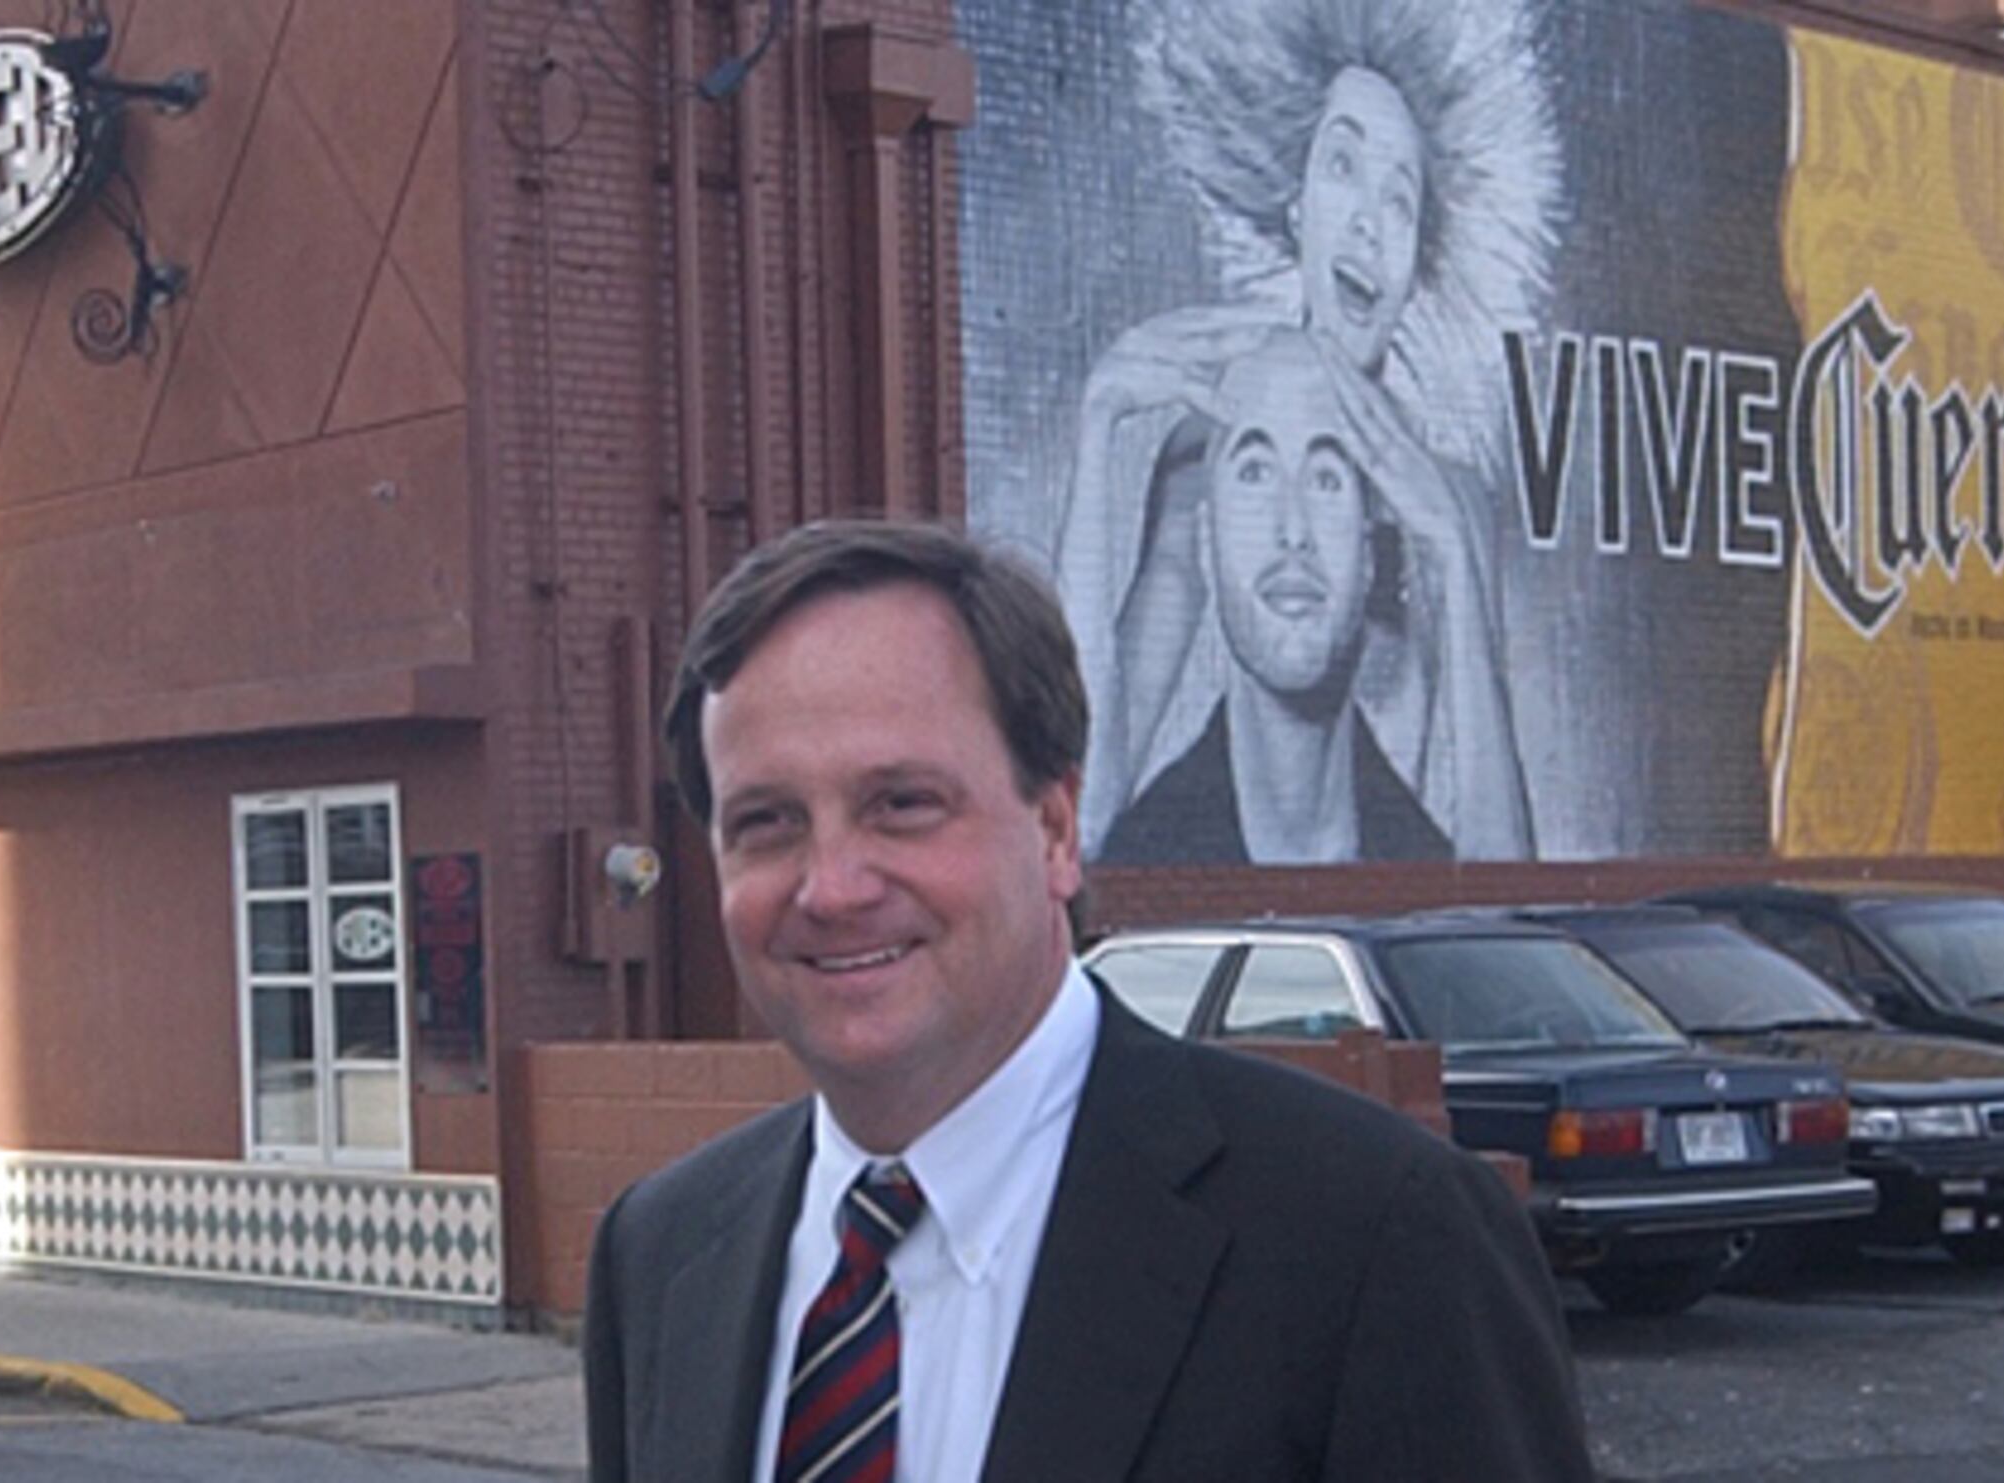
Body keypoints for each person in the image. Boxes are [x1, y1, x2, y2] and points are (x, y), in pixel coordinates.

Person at [581, 519, 1590, 1483]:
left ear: (1056, 826)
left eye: (902, 804)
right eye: (768, 821)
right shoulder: (660, 1253)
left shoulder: (1375, 1237)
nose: (833, 885)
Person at [1055, 0, 1555, 862]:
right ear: (1298, 211)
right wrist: (1099, 430)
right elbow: (1089, 798)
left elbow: (1496, 869)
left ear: (1417, 255)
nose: (1367, 218)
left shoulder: (1447, 499)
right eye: (1344, 168)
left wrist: (1453, 562)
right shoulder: (1201, 449)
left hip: (1391, 910)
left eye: (1400, 201)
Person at [1096, 337, 1501, 863]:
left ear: (1369, 556)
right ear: (1204, 544)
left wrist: (1454, 558)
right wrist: (1096, 419)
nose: (1293, 530)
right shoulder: (1144, 860)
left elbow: (1506, 905)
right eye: (1255, 474)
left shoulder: (1419, 859)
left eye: (1326, 481)